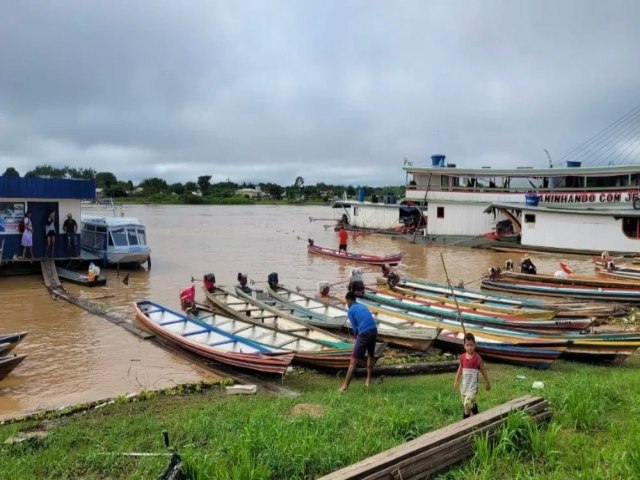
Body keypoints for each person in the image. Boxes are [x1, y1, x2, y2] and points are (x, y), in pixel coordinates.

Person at [339, 291, 378, 392]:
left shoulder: (351, 310)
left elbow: (355, 329)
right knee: (370, 355)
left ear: (349, 300)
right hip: (374, 330)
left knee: (353, 360)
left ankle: (345, 386)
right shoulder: (362, 306)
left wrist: (357, 339)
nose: (346, 304)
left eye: (346, 302)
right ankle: (368, 381)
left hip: (364, 333)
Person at [453, 333, 491, 419]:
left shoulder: (478, 359)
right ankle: (474, 409)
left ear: (475, 345)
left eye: (471, 345)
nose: (469, 347)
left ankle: (466, 422)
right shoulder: (462, 357)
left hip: (472, 387)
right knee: (466, 405)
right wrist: (456, 380)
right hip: (464, 386)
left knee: (467, 404)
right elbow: (460, 369)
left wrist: (487, 382)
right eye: (467, 345)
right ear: (464, 346)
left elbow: (483, 371)